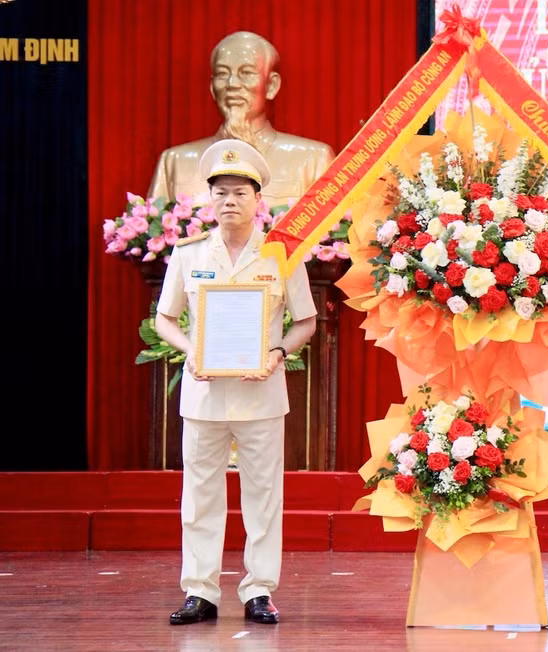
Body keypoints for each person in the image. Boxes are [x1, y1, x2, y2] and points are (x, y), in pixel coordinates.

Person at [155, 138, 318, 625]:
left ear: (257, 199)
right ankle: (199, 591)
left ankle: (259, 590)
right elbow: (165, 318)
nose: (230, 201)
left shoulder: (282, 255)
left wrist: (277, 353)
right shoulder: (188, 254)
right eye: (221, 192)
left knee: (263, 496)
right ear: (209, 198)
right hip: (203, 393)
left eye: (240, 192)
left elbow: (306, 321)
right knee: (200, 496)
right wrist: (191, 350)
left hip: (260, 391)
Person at [148, 30, 333, 207]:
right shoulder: (174, 162)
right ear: (212, 87)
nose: (232, 84)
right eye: (222, 74)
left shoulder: (313, 160)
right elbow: (151, 225)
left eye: (246, 73)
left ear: (271, 85)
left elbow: (335, 226)